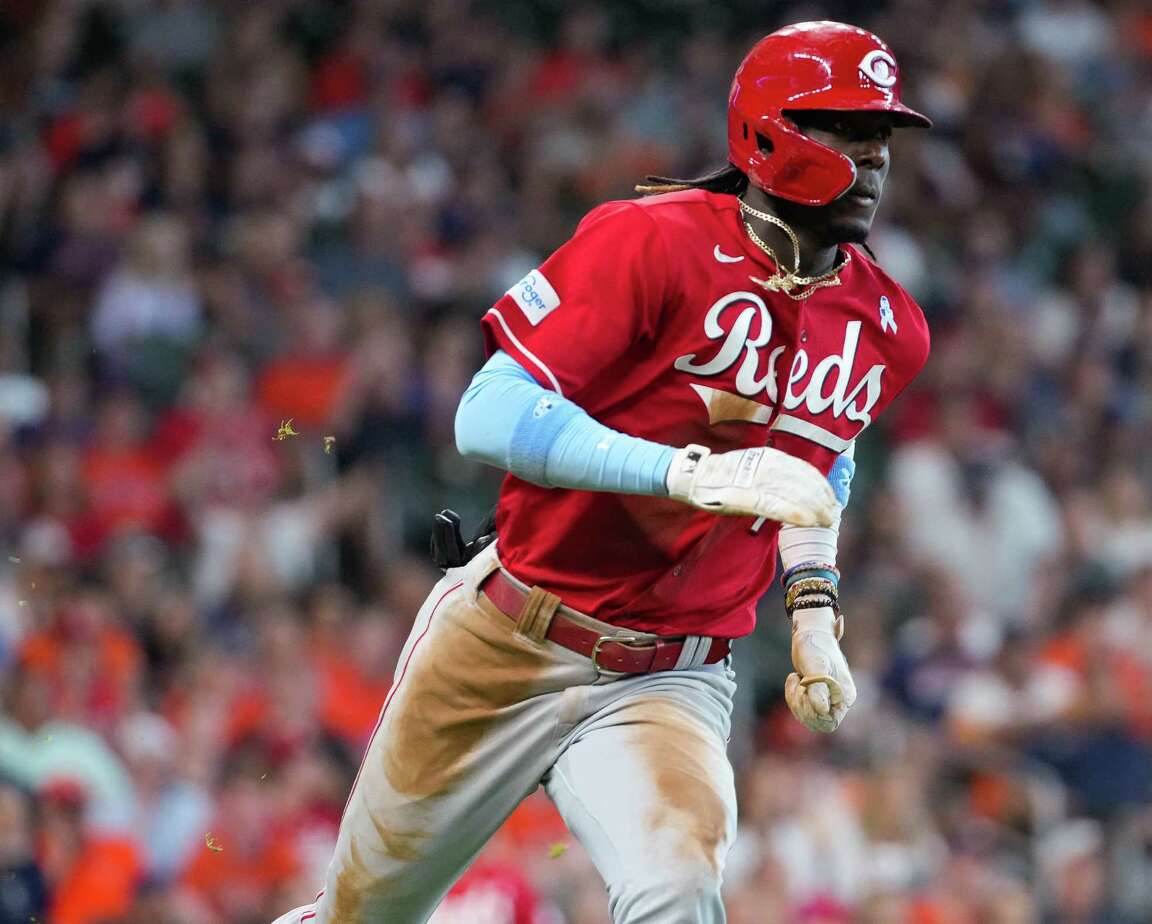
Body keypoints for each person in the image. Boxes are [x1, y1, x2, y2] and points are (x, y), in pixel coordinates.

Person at [273, 20, 931, 924]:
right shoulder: (650, 239)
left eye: (883, 134)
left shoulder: (889, 325)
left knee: (679, 890)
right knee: (365, 918)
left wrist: (814, 611)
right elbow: (487, 413)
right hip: (509, 637)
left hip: (673, 673)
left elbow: (826, 471)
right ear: (767, 131)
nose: (874, 156)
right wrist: (687, 475)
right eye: (845, 129)